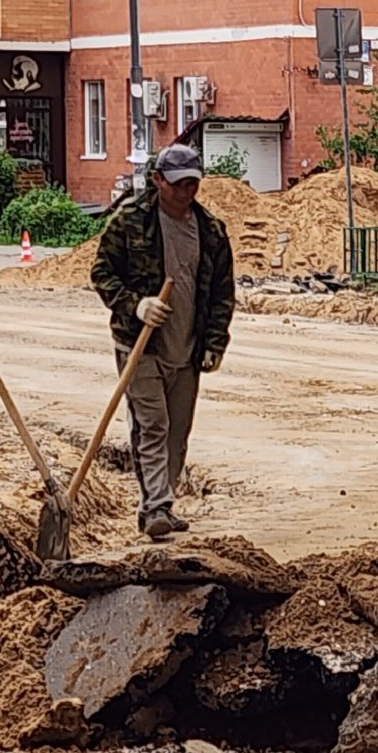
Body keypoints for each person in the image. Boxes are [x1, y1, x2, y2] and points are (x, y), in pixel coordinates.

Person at [90, 144, 235, 539]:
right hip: (140, 345)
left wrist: (214, 342)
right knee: (152, 425)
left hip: (187, 349)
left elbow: (222, 293)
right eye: (179, 184)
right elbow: (102, 273)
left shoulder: (211, 231)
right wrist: (135, 306)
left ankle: (164, 498)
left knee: (177, 430)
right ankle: (155, 506)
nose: (187, 191)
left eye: (193, 183)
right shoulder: (130, 222)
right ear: (158, 181)